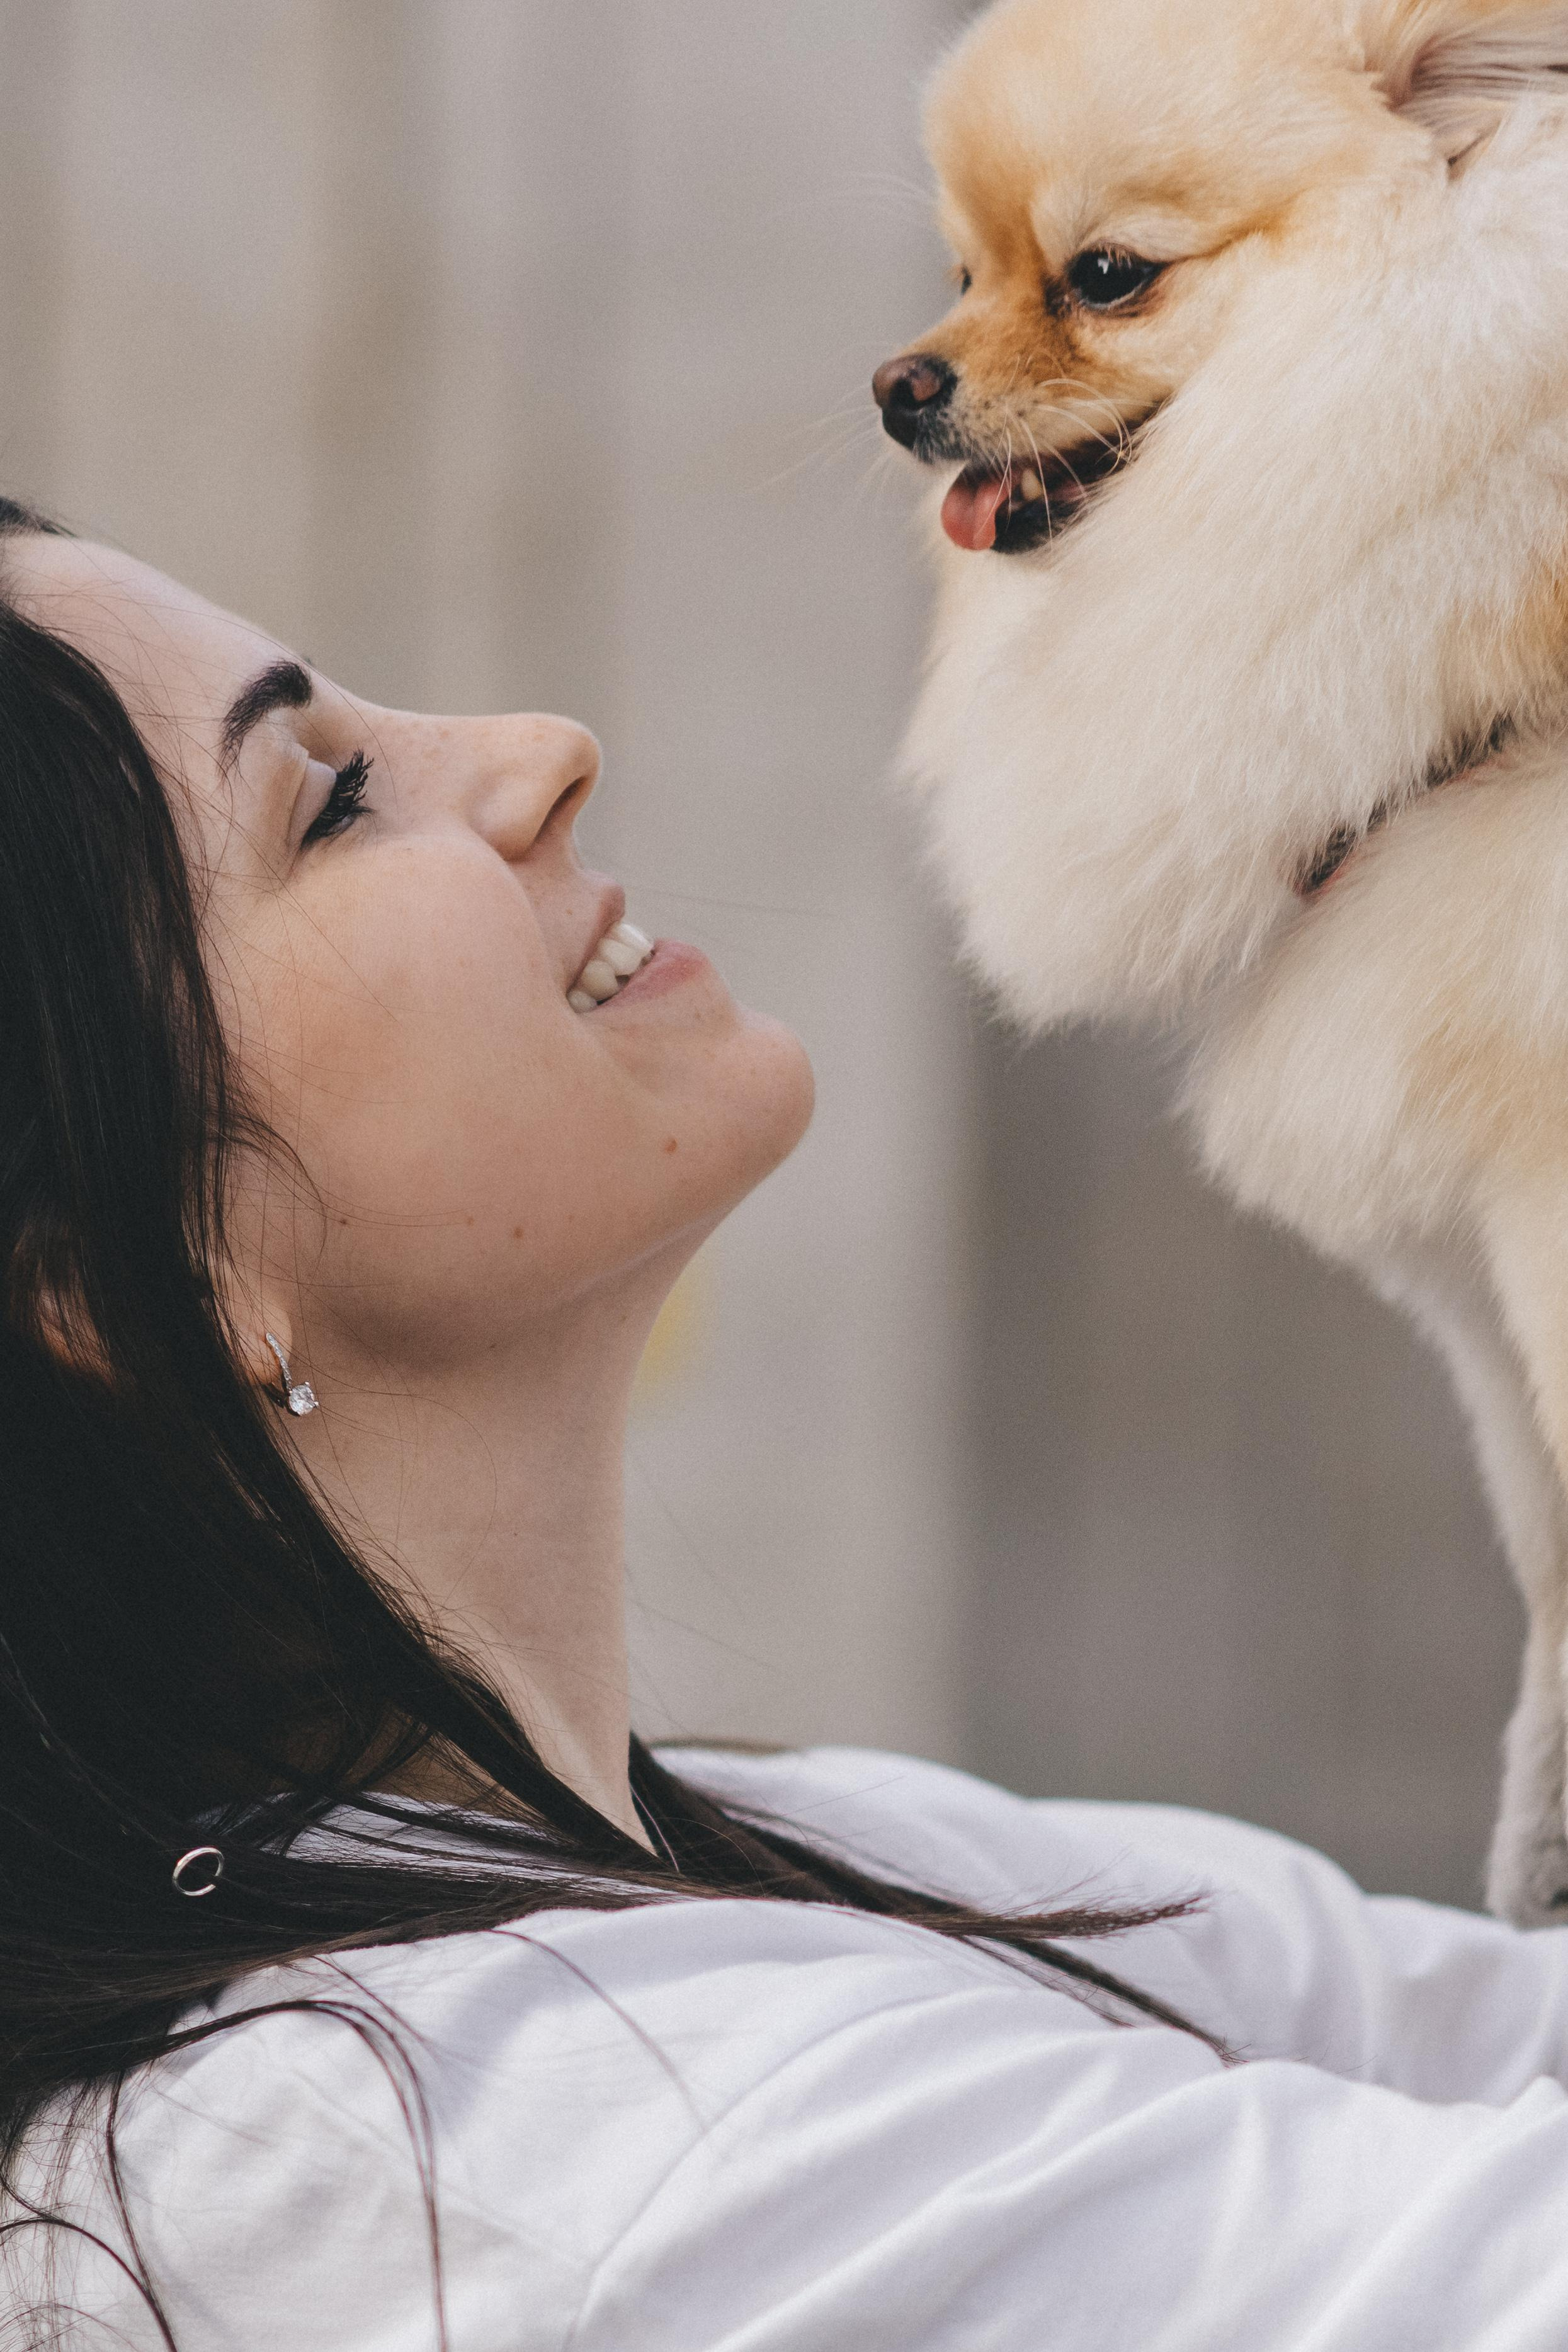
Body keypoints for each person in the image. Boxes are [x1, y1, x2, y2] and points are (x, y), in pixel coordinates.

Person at [0, 502, 1565, 2352]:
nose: (532, 754)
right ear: (129, 1282)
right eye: (327, 800)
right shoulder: (510, 2157)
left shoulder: (780, 1849)